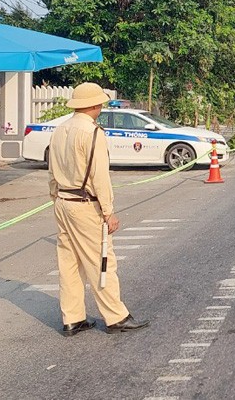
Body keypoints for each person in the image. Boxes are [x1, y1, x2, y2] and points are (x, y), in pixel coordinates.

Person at [49, 82, 149, 336]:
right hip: (85, 204)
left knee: (69, 263)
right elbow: (99, 177)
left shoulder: (60, 129)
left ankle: (72, 318)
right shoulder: (92, 133)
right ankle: (116, 316)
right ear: (95, 105)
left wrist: (55, 198)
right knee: (101, 261)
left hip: (63, 201)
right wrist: (108, 211)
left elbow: (52, 170)